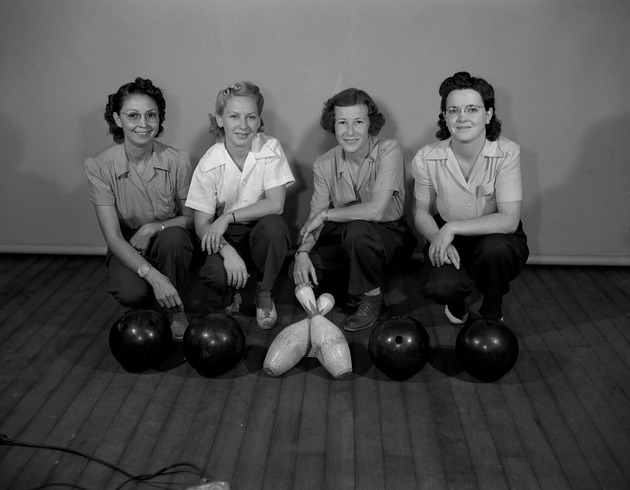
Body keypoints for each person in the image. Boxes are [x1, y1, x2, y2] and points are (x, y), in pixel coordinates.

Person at [293, 88, 416, 332]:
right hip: (345, 237)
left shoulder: (389, 150)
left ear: (371, 123)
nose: (349, 132)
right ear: (333, 125)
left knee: (359, 231)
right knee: (301, 272)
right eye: (342, 123)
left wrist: (326, 215)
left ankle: (371, 300)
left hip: (389, 238)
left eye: (358, 122)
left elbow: (377, 212)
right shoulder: (324, 163)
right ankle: (354, 285)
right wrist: (302, 253)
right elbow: (313, 221)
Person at [412, 71, 529, 324]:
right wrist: (437, 237)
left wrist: (452, 227)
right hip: (447, 232)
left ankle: (492, 305)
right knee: (440, 284)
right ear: (444, 116)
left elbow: (509, 221)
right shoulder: (425, 157)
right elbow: (421, 211)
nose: (462, 117)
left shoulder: (507, 153)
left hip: (496, 235)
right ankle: (456, 301)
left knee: (496, 250)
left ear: (488, 114)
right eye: (453, 110)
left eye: (472, 109)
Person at [85, 77, 196, 340]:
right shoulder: (99, 166)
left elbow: (191, 218)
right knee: (130, 292)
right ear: (117, 118)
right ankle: (152, 301)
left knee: (174, 237)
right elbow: (112, 237)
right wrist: (155, 278)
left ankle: (175, 310)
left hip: (171, 243)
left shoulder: (178, 160)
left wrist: (152, 228)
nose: (144, 124)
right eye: (133, 116)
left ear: (160, 119)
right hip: (128, 244)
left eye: (151, 115)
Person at [185, 81, 294, 330]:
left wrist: (227, 216)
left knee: (275, 228)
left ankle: (264, 293)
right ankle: (231, 293)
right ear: (220, 119)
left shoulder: (270, 148)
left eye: (251, 117)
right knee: (213, 273)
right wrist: (227, 251)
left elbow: (276, 204)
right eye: (234, 116)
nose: (243, 126)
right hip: (225, 236)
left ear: (258, 121)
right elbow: (202, 224)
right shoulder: (209, 163)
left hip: (261, 230)